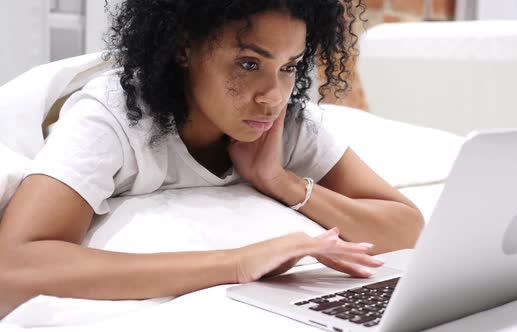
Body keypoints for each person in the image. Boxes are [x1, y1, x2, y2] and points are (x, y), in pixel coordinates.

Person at [0, 0, 424, 317]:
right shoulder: (116, 115)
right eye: (248, 63)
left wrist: (283, 182)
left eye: (290, 66)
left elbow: (406, 227)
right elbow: (14, 267)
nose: (272, 96)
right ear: (185, 46)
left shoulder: (285, 119)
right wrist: (238, 263)